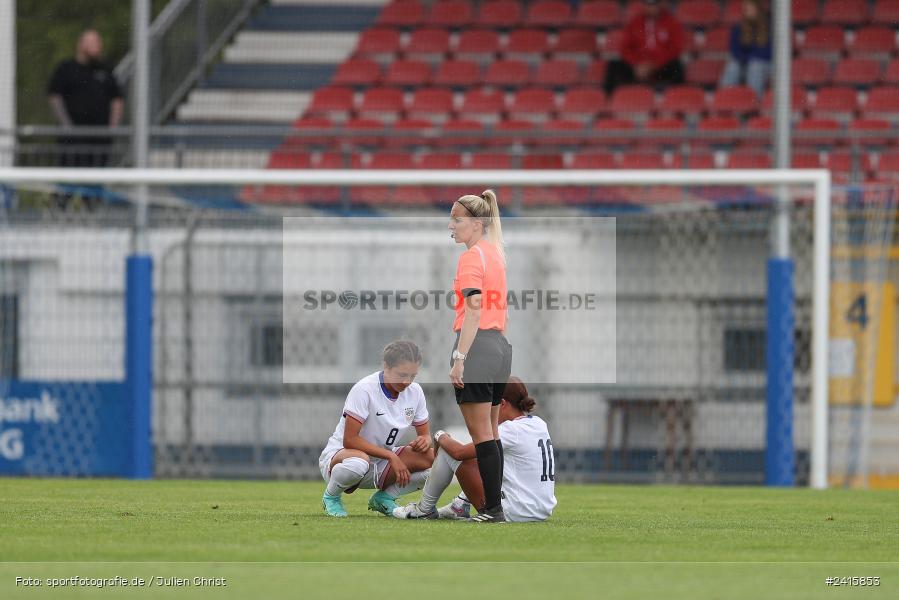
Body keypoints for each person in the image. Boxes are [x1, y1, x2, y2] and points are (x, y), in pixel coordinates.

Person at [392, 376, 557, 522]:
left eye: (489, 404)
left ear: (503, 404)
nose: (486, 411)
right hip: (541, 510)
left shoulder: (509, 430)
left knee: (448, 451)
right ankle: (460, 504)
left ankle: (423, 510)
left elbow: (459, 453)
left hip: (515, 511)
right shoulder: (539, 423)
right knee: (487, 460)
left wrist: (440, 435)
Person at [444, 189, 512, 523]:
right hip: (500, 347)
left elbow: (473, 310)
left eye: (457, 219)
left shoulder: (471, 257)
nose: (451, 225)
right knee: (492, 432)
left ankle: (492, 509)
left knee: (481, 434)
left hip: (479, 348)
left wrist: (460, 357)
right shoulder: (496, 254)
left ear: (476, 223)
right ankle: (496, 504)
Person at [319, 340, 434, 517]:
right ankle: (331, 497)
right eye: (401, 374)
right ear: (386, 366)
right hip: (343, 457)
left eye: (412, 376)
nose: (407, 382)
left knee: (432, 462)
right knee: (359, 462)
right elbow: (350, 440)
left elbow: (426, 435)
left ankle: (383, 498)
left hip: (381, 462)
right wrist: (390, 455)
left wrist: (424, 441)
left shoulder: (416, 392)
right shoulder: (365, 389)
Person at [47, 29, 124, 167]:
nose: (97, 46)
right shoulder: (66, 69)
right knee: (70, 181)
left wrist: (112, 129)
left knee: (96, 181)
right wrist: (67, 125)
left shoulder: (106, 69)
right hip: (72, 141)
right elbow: (54, 96)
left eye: (98, 42)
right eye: (92, 42)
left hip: (100, 141)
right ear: (81, 44)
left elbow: (117, 99)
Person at [604, 0, 686, 94]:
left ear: (660, 4)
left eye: (655, 3)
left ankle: (676, 100)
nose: (652, 7)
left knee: (677, 67)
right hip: (637, 66)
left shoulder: (672, 23)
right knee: (613, 66)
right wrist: (636, 64)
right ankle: (609, 102)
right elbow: (625, 48)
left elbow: (674, 49)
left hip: (660, 66)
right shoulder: (634, 23)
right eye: (648, 4)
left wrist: (653, 65)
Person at [719, 0, 771, 97]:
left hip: (766, 64)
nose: (748, 11)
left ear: (758, 9)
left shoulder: (769, 27)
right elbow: (734, 51)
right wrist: (747, 57)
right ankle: (724, 99)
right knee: (732, 66)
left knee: (755, 66)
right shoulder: (738, 28)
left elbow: (769, 52)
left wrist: (750, 56)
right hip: (745, 62)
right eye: (746, 9)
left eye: (751, 8)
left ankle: (753, 102)